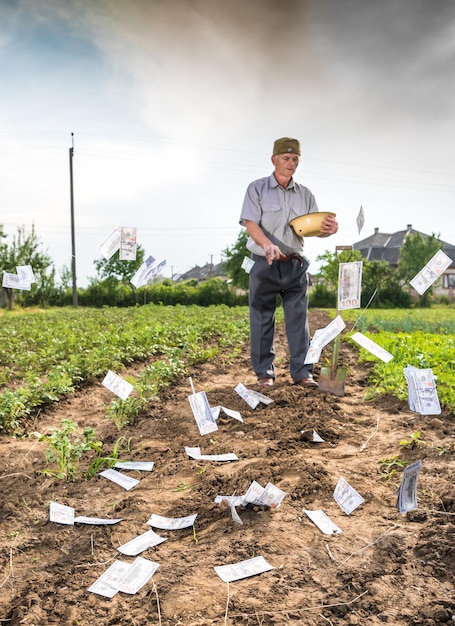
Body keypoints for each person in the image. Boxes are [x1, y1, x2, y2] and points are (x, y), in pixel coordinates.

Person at [239, 137, 338, 388]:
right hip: (264, 264)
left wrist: (328, 230)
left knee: (298, 320)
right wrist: (267, 245)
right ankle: (264, 374)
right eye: (286, 158)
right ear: (274, 160)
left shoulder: (305, 194)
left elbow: (313, 229)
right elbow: (250, 223)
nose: (291, 163)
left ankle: (303, 373)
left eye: (295, 159)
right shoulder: (257, 189)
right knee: (262, 319)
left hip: (294, 265)